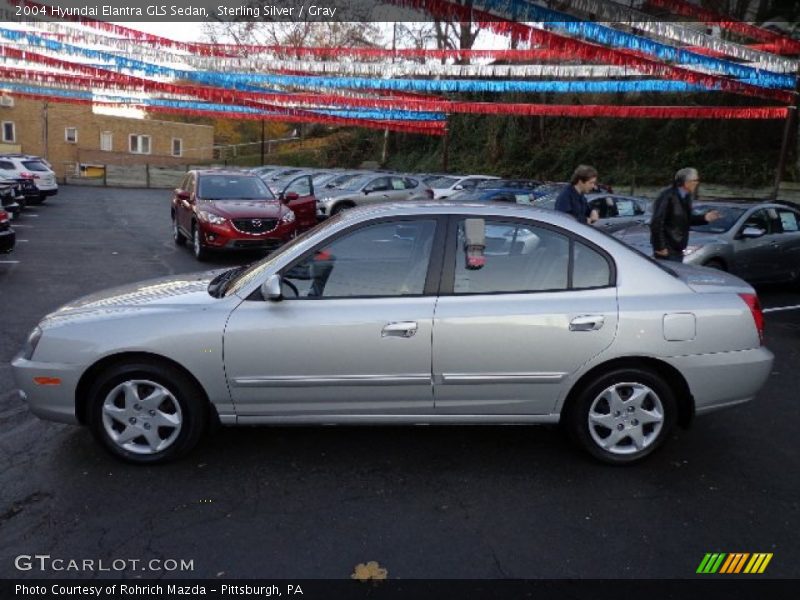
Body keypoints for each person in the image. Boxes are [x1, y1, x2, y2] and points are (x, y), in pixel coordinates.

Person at [650, 167, 720, 263]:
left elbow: (685, 220)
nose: (697, 183)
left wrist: (705, 218)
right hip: (667, 248)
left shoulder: (686, 197)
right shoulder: (668, 196)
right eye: (695, 180)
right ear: (686, 182)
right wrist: (660, 247)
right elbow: (657, 222)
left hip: (677, 247)